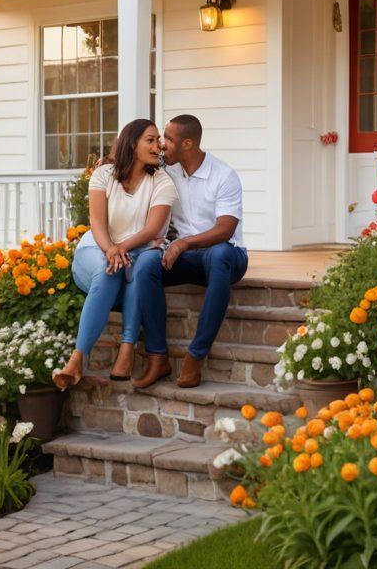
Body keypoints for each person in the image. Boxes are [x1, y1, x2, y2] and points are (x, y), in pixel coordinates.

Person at [52, 119, 176, 391]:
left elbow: (153, 228)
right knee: (111, 269)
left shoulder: (162, 181)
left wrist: (121, 248)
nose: (159, 146)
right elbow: (97, 222)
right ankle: (82, 357)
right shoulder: (103, 175)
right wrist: (111, 249)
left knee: (130, 269)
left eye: (159, 141)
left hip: (135, 252)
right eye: (151, 140)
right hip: (96, 248)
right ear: (132, 143)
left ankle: (109, 354)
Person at [150, 114, 248, 389]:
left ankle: (196, 355)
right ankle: (157, 355)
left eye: (168, 139)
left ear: (188, 143)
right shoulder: (167, 171)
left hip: (228, 256)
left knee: (219, 254)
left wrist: (183, 243)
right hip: (189, 258)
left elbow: (225, 229)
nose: (161, 143)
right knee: (147, 267)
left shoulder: (223, 175)